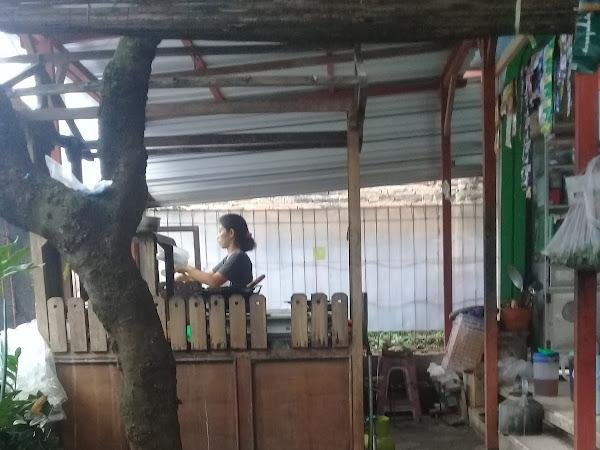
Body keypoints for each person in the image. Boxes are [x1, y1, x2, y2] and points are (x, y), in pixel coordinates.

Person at [176, 213, 255, 289]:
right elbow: (210, 274)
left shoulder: (238, 257)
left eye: (220, 231)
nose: (218, 236)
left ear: (231, 233)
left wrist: (187, 268)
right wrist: (188, 276)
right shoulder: (230, 257)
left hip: (237, 298)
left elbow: (213, 281)